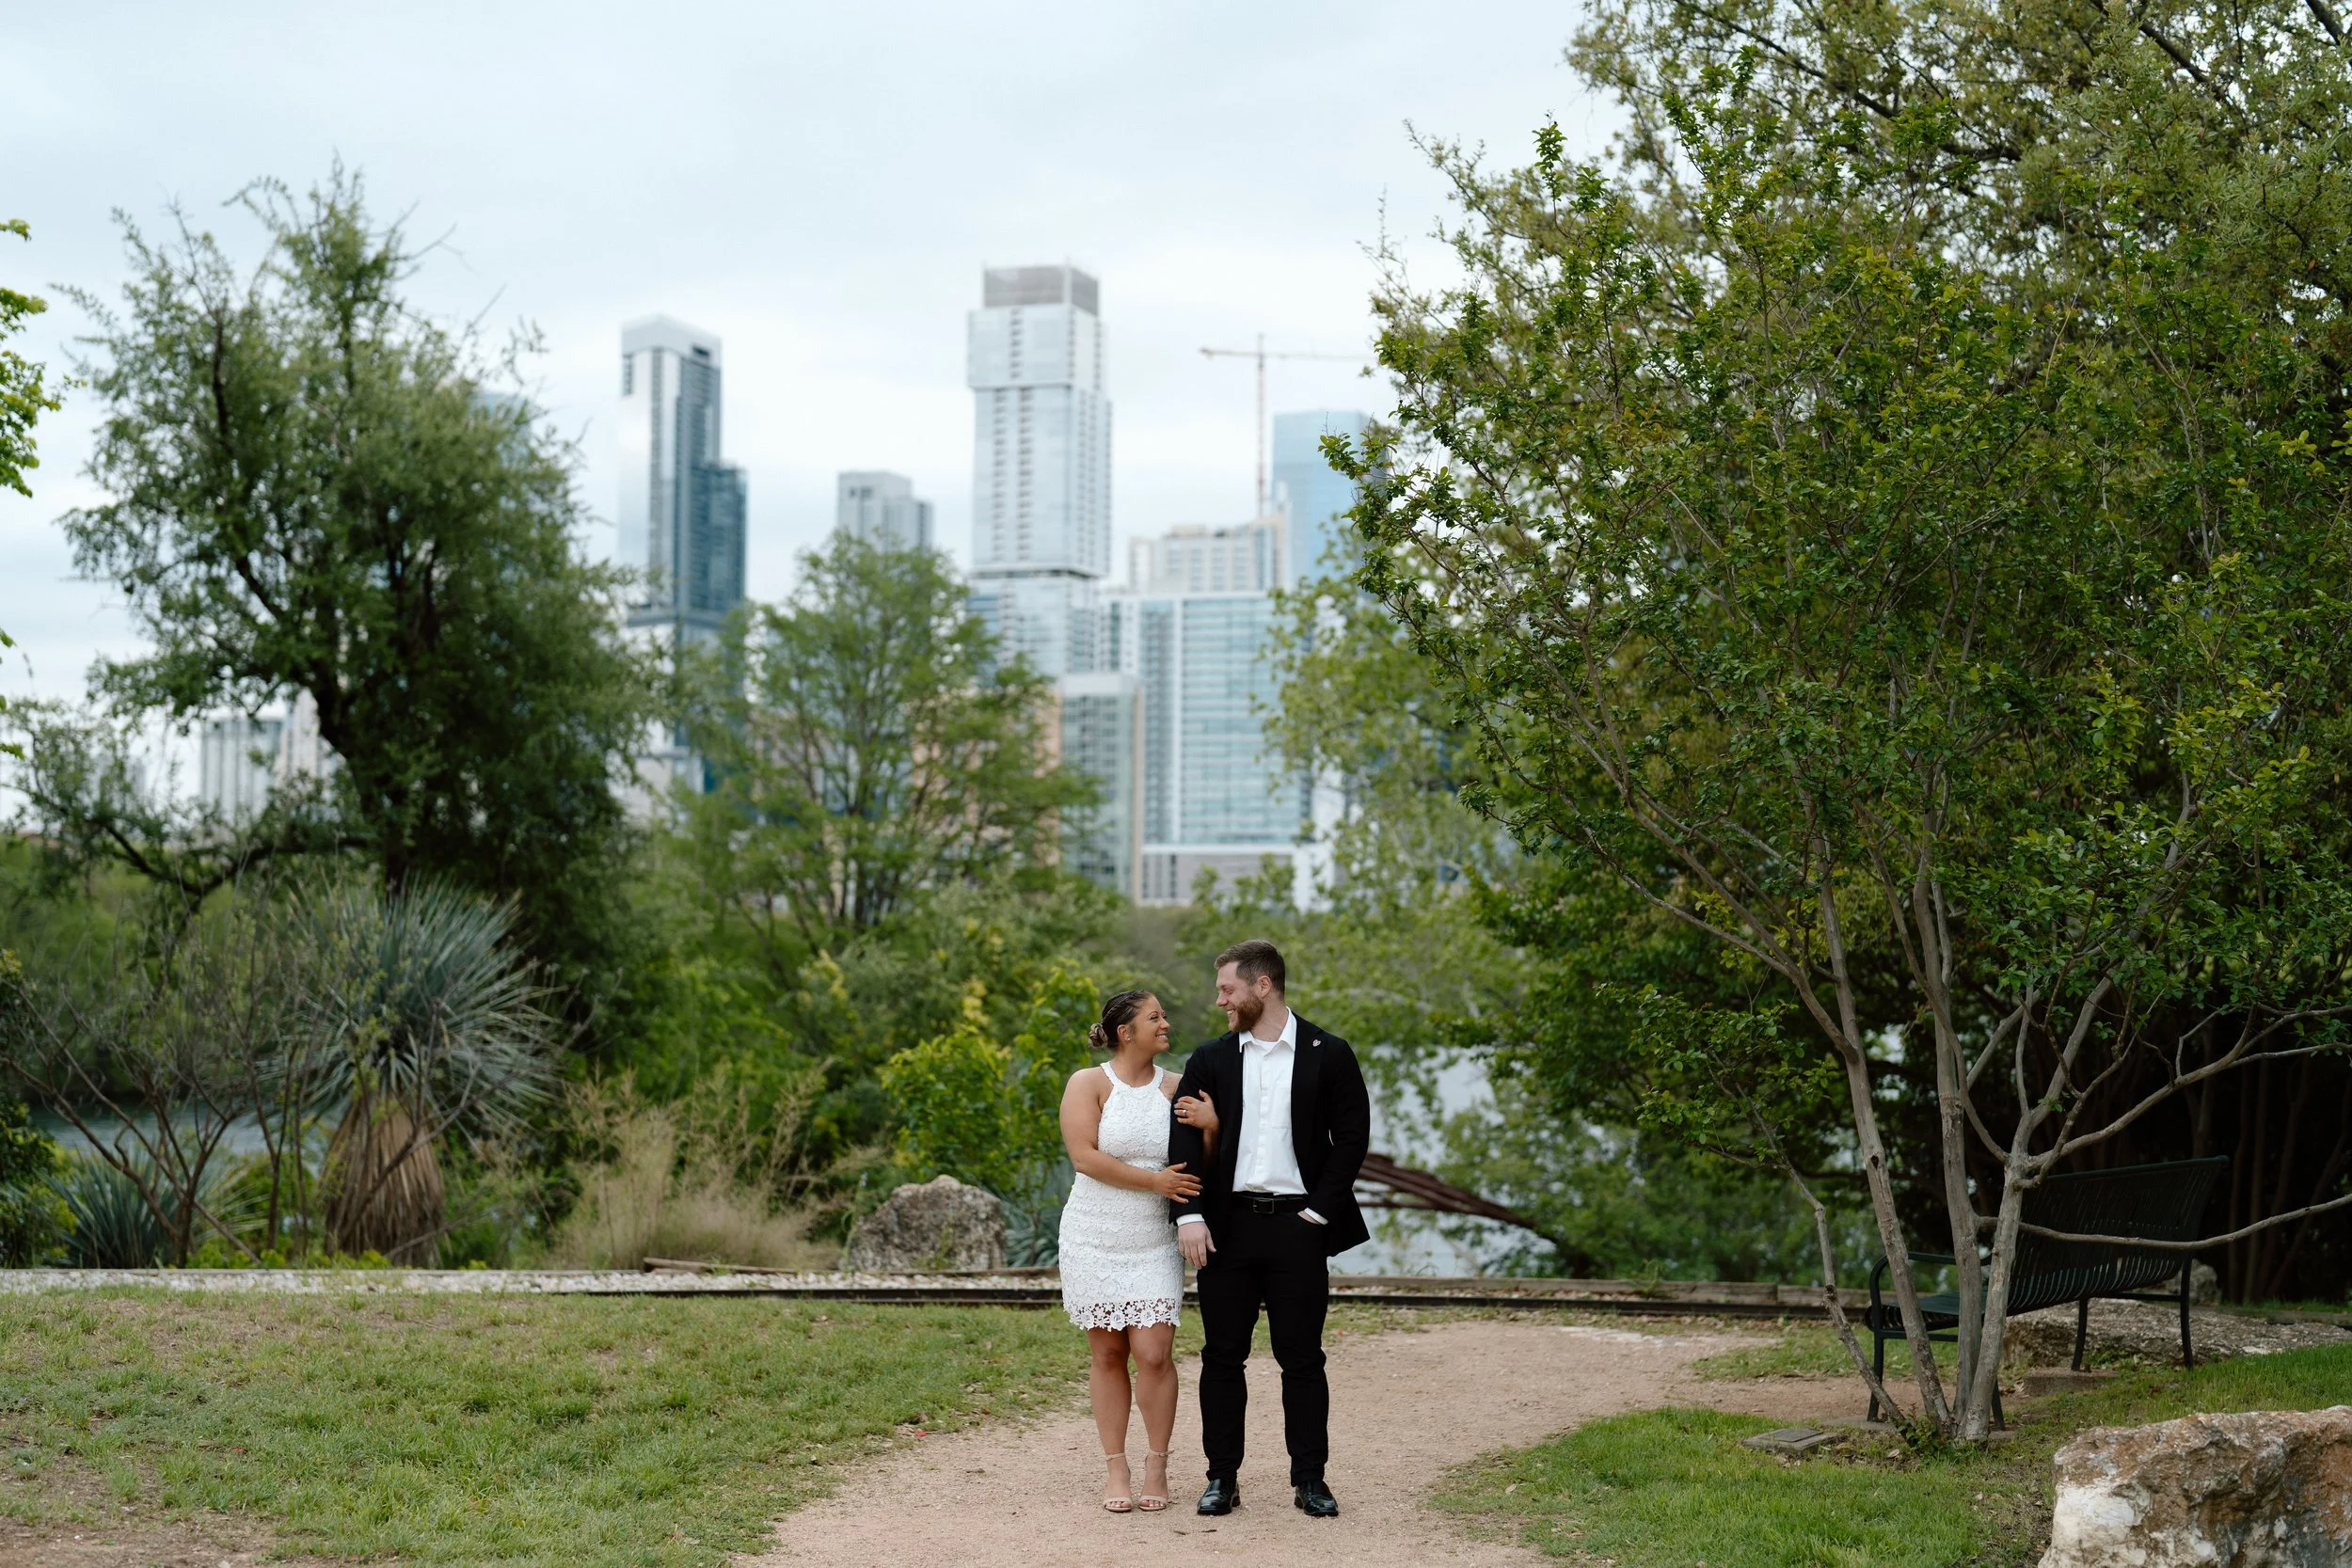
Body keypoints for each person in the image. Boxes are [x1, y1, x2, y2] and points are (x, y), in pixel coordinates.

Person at [1167, 939, 1370, 1520]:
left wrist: (1317, 1214)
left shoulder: (1329, 1053)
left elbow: (1351, 1137)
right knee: (1221, 1356)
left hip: (1298, 1228)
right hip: (1225, 1228)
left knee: (1302, 1358)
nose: (1219, 1000)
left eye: (1227, 989)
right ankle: (1220, 1478)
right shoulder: (1209, 1059)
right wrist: (1189, 1214)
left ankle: (1310, 1480)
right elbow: (1184, 1137)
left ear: (1263, 986)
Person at [1057, 989, 1222, 1513]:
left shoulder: (1178, 1088)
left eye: (1165, 1015)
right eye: (1155, 1017)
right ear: (1125, 1032)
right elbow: (1084, 1157)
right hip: (1093, 1233)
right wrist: (1153, 1182)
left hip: (1152, 1239)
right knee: (1107, 1354)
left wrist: (1212, 1128)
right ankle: (1116, 1467)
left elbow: (1201, 1167)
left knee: (1153, 1353)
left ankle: (1157, 1461)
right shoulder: (1088, 1084)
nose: (1166, 1023)